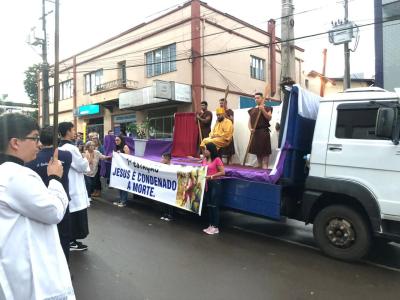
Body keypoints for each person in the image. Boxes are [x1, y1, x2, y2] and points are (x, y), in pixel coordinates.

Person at [0, 113, 75, 299]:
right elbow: (53, 212)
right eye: (35, 138)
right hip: (31, 274)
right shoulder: (16, 175)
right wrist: (55, 178)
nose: (39, 144)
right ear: (15, 142)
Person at [26, 126, 73, 262]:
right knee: (64, 236)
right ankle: (65, 267)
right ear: (57, 138)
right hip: (62, 201)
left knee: (44, 237)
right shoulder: (66, 156)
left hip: (42, 203)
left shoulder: (32, 160)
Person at [59, 121, 90, 251]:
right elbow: (81, 166)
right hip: (75, 186)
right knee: (76, 214)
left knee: (70, 213)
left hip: (68, 183)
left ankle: (70, 240)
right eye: (72, 130)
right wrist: (86, 157)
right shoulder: (71, 148)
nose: (74, 132)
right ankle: (71, 241)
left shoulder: (60, 147)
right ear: (67, 132)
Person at [202, 142, 225, 235]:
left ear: (211, 150)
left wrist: (211, 176)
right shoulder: (204, 159)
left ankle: (215, 227)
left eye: (206, 149)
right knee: (209, 205)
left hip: (215, 183)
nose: (204, 151)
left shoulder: (217, 159)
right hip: (207, 184)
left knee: (214, 205)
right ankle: (211, 225)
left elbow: (223, 172)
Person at [248, 92, 273, 169]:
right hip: (255, 132)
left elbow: (269, 118)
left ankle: (265, 165)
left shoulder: (268, 108)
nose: (256, 99)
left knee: (265, 150)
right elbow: (249, 122)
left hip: (263, 131)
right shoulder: (252, 110)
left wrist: (263, 110)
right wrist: (250, 129)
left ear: (262, 98)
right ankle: (259, 164)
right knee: (257, 150)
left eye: (258, 98)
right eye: (255, 98)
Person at [113, 135, 131, 207]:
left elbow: (128, 158)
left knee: (123, 185)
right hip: (119, 168)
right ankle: (121, 199)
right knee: (119, 184)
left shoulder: (125, 147)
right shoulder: (117, 147)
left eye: (117, 140)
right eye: (115, 140)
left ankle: (124, 201)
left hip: (124, 169)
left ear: (121, 140)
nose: (116, 141)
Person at [219, 97, 235, 164]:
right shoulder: (219, 111)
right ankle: (221, 161)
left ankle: (230, 161)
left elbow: (231, 120)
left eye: (222, 103)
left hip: (228, 131)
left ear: (226, 103)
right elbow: (218, 121)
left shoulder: (230, 111)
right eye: (220, 103)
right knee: (220, 146)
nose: (221, 105)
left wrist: (225, 115)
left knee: (229, 146)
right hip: (221, 131)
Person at [160, 152, 175, 221]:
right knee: (164, 201)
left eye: (163, 158)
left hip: (170, 187)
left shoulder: (172, 166)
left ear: (167, 159)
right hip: (164, 186)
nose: (161, 159)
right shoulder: (162, 165)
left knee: (169, 201)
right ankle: (165, 213)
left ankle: (170, 215)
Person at [89, 132, 104, 198]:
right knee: (93, 178)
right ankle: (95, 191)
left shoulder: (101, 147)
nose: (94, 140)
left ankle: (99, 191)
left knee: (97, 179)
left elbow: (102, 155)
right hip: (92, 165)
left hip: (99, 165)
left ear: (97, 140)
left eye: (95, 139)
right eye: (93, 139)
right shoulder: (92, 146)